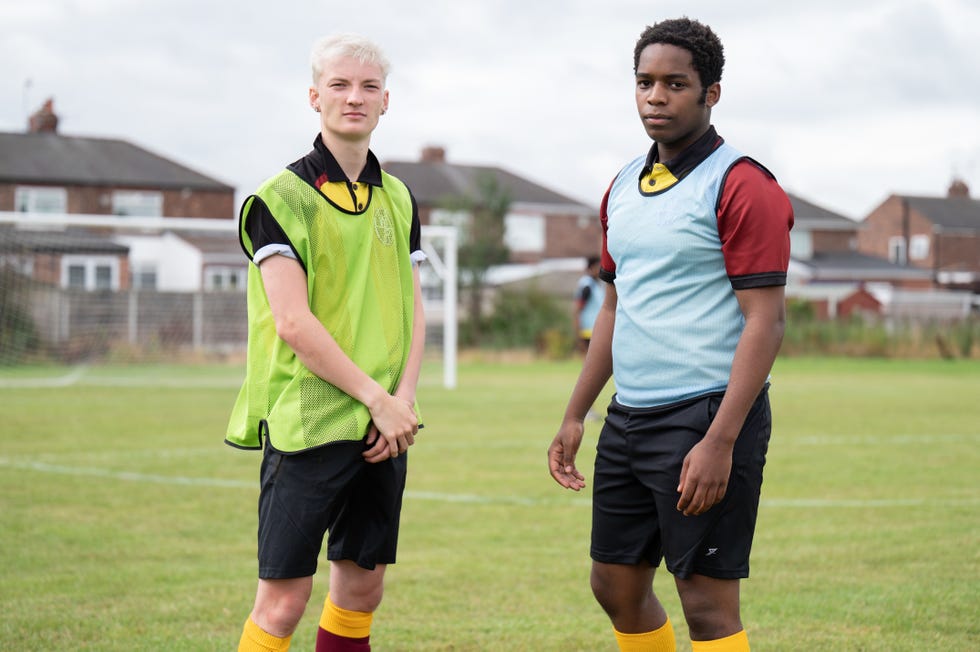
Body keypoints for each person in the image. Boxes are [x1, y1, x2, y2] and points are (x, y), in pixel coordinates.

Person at [548, 17, 793, 652]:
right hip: (628, 418)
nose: (656, 96)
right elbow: (612, 309)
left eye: (675, 84)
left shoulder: (742, 184)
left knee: (706, 604)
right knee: (614, 584)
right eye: (644, 82)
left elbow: (765, 322)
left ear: (711, 93)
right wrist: (577, 413)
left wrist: (720, 441)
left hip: (706, 415)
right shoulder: (622, 186)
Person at [225, 33, 426, 652]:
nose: (354, 97)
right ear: (315, 97)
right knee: (283, 602)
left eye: (368, 87)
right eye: (339, 85)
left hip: (383, 425)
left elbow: (413, 308)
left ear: (386, 101)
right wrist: (375, 396)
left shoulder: (397, 195)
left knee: (362, 590)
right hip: (309, 420)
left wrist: (402, 402)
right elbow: (292, 322)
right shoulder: (278, 199)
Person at [574, 256, 606, 353]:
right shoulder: (587, 286)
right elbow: (577, 309)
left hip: (596, 329)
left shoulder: (596, 284)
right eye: (598, 267)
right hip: (589, 330)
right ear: (591, 268)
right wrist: (577, 329)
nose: (600, 269)